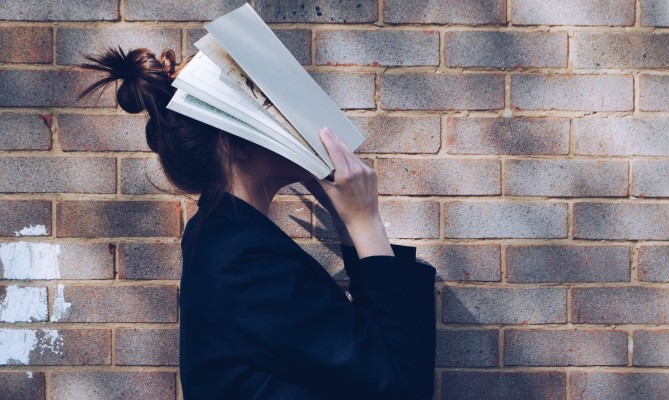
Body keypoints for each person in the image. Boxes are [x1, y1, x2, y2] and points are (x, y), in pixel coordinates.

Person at [79, 47, 437, 399]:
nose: (294, 121)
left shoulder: (226, 238)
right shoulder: (241, 260)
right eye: (271, 111)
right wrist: (366, 221)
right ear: (235, 144)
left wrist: (347, 219)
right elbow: (401, 382)